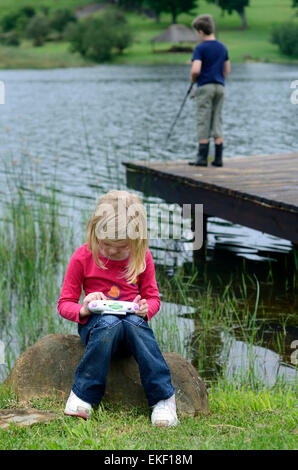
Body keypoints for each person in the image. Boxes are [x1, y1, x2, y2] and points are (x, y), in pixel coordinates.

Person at [58, 190, 178, 427]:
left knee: (134, 322)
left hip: (132, 331)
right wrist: (84, 308)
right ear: (95, 233)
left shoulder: (142, 257)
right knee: (109, 322)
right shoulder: (83, 257)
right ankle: (83, 395)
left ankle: (163, 399)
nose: (112, 252)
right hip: (97, 329)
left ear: (137, 240)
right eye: (106, 244)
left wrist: (146, 308)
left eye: (121, 247)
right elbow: (64, 304)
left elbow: (153, 298)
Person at [189, 14, 230, 167]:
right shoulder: (222, 47)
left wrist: (194, 81)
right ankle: (218, 159)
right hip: (220, 86)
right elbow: (227, 69)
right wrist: (219, 79)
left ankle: (201, 159)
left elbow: (195, 70)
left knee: (203, 119)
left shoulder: (200, 48)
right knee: (217, 119)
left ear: (200, 31)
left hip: (205, 86)